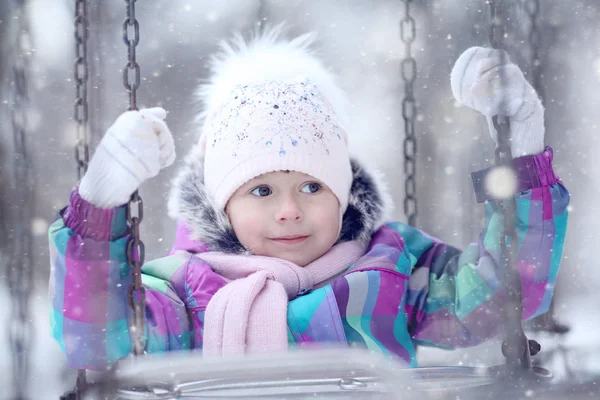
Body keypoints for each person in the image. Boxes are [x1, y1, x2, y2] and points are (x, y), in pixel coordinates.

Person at [48, 29, 569, 370]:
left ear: (342, 192)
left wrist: (520, 147)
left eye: (313, 186)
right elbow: (97, 336)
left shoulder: (389, 265)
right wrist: (99, 207)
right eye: (261, 189)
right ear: (221, 204)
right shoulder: (184, 289)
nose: (290, 209)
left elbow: (499, 301)